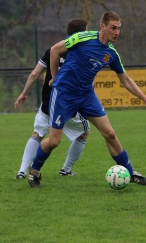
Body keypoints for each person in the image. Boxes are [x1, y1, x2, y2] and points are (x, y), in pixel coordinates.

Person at [27, 11, 146, 188]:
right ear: (102, 26)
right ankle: (34, 171)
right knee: (54, 141)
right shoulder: (82, 37)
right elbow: (55, 50)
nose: (117, 32)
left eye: (119, 29)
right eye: (113, 28)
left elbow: (125, 80)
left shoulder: (111, 53)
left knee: (110, 133)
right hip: (64, 94)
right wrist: (55, 76)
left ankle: (130, 172)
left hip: (86, 95)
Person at [14, 19, 90, 179]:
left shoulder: (54, 49)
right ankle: (66, 169)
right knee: (84, 133)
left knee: (38, 133)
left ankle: (21, 171)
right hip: (69, 104)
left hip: (49, 101)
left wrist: (23, 93)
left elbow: (35, 74)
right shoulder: (83, 52)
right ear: (82, 33)